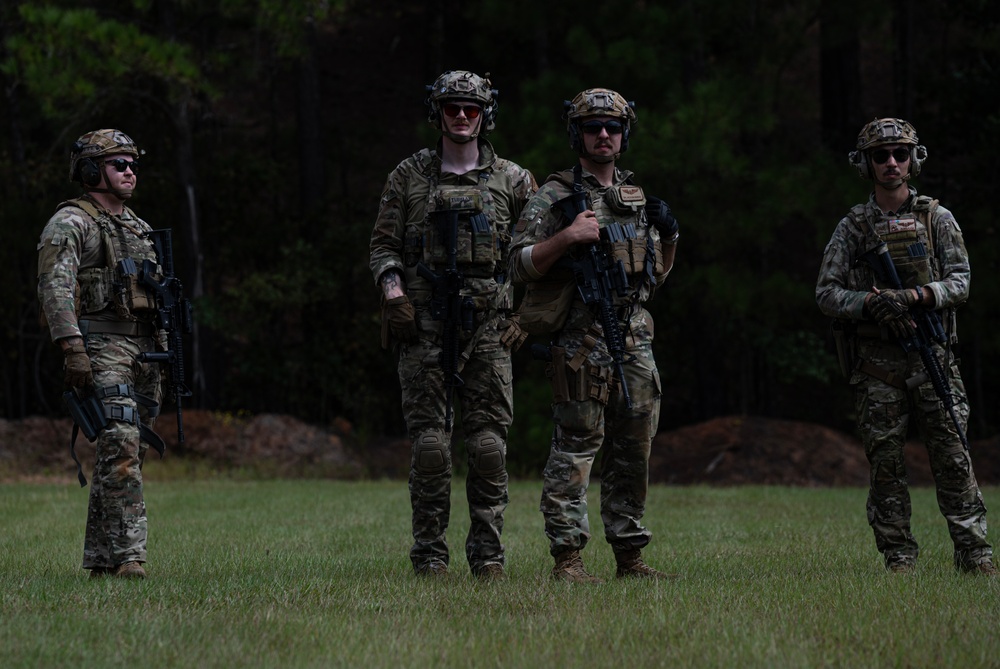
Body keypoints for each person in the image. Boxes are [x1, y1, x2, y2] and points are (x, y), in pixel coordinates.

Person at [369, 70, 536, 579]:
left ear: (486, 114)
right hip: (423, 328)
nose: (461, 116)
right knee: (430, 448)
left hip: (489, 331)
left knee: (487, 446)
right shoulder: (408, 175)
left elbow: (539, 257)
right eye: (451, 107)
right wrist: (395, 296)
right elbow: (383, 248)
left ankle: (488, 557)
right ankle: (430, 556)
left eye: (471, 108)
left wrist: (527, 316)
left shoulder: (514, 179)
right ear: (437, 112)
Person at [508, 88, 679, 582]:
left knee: (634, 448)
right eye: (592, 127)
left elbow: (655, 279)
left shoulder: (636, 198)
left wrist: (669, 237)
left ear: (625, 135)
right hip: (582, 342)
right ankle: (568, 558)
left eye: (613, 127)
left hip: (634, 339)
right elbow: (516, 265)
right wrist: (566, 238)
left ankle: (630, 556)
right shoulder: (555, 197)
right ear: (576, 134)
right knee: (577, 446)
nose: (603, 134)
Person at [817, 117, 995, 574]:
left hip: (932, 354)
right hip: (878, 367)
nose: (892, 162)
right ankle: (899, 555)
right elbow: (826, 293)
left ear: (914, 160)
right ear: (867, 164)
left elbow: (961, 281)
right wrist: (869, 305)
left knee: (953, 454)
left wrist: (917, 296)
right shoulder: (854, 227)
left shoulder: (937, 219)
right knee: (887, 465)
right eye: (881, 155)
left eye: (900, 153)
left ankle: (974, 553)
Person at [37, 129, 168, 579]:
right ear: (92, 170)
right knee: (121, 441)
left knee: (125, 453)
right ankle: (131, 557)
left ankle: (100, 561)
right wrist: (72, 347)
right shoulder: (72, 222)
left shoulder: (140, 227)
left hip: (146, 352)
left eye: (133, 163)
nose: (130, 171)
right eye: (119, 163)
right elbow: (54, 287)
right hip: (101, 345)